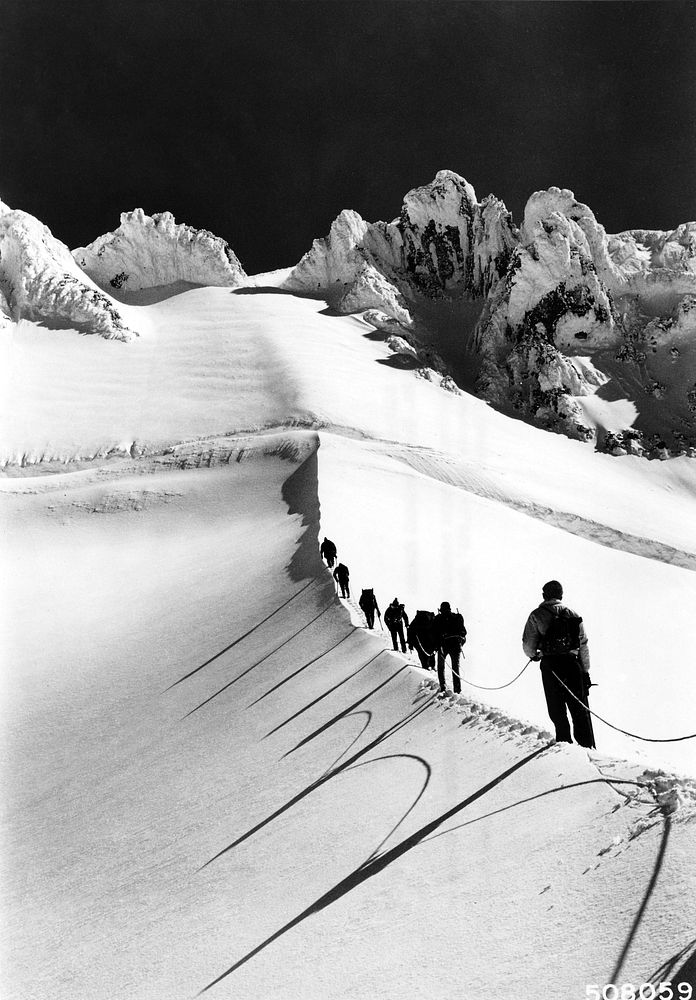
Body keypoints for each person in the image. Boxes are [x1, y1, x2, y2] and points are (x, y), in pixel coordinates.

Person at [522, 580, 595, 748]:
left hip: (550, 666)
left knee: (556, 708)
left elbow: (528, 645)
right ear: (561, 595)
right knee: (578, 707)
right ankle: (586, 746)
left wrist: (534, 655)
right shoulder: (573, 614)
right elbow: (583, 644)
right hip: (573, 665)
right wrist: (585, 670)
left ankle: (564, 743)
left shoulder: (537, 615)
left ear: (544, 595)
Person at [433, 601, 467, 693]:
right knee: (455, 668)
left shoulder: (438, 618)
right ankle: (457, 689)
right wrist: (461, 643)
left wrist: (436, 646)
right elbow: (463, 632)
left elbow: (434, 634)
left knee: (441, 667)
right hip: (455, 645)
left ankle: (443, 686)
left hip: (443, 646)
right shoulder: (457, 617)